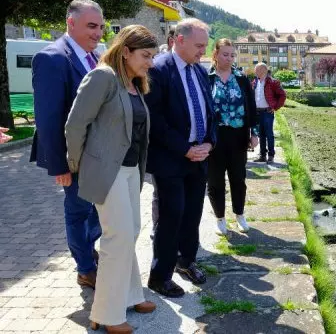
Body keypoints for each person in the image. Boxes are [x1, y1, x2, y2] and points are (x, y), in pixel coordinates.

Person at [65, 24, 158, 334]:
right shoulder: (103, 76)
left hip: (131, 169)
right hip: (108, 170)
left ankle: (131, 295)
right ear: (125, 51)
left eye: (152, 56)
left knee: (129, 231)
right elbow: (75, 124)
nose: (150, 63)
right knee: (116, 237)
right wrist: (76, 166)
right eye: (145, 56)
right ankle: (105, 313)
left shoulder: (134, 82)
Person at [30, 0, 102, 289]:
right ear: (70, 23)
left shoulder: (94, 57)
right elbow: (47, 119)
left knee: (94, 211)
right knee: (77, 212)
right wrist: (60, 165)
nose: (98, 33)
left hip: (96, 156)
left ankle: (89, 253)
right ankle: (85, 269)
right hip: (72, 159)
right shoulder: (52, 58)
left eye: (100, 26)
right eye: (91, 26)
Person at [145, 18, 215, 297]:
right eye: (199, 46)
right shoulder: (158, 69)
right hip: (170, 159)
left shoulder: (198, 71)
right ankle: (159, 276)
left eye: (205, 46)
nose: (202, 51)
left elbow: (209, 112)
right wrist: (185, 148)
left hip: (199, 157)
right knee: (171, 216)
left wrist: (210, 142)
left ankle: (186, 261)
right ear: (180, 40)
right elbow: (155, 119)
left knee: (193, 214)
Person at [207, 39, 258, 235]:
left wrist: (254, 133)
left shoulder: (242, 79)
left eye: (232, 55)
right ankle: (220, 218)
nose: (229, 58)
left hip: (238, 137)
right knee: (215, 180)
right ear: (216, 54)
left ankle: (240, 214)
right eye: (225, 54)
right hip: (214, 137)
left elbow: (251, 108)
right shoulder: (208, 78)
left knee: (238, 178)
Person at [252, 63, 286, 163]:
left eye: (256, 69)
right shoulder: (255, 82)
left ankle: (271, 155)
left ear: (263, 70)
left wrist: (275, 107)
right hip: (258, 112)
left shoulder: (272, 82)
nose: (255, 71)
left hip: (267, 112)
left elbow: (282, 95)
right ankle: (262, 155)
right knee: (261, 135)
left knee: (269, 134)